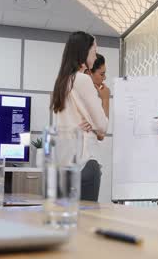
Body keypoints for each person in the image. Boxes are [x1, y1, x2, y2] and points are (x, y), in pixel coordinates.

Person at [51, 31, 110, 202]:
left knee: (69, 221)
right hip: (85, 161)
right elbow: (102, 126)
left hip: (65, 162)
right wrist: (104, 99)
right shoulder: (83, 80)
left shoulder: (62, 82)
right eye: (94, 50)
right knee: (87, 221)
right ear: (84, 52)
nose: (95, 54)